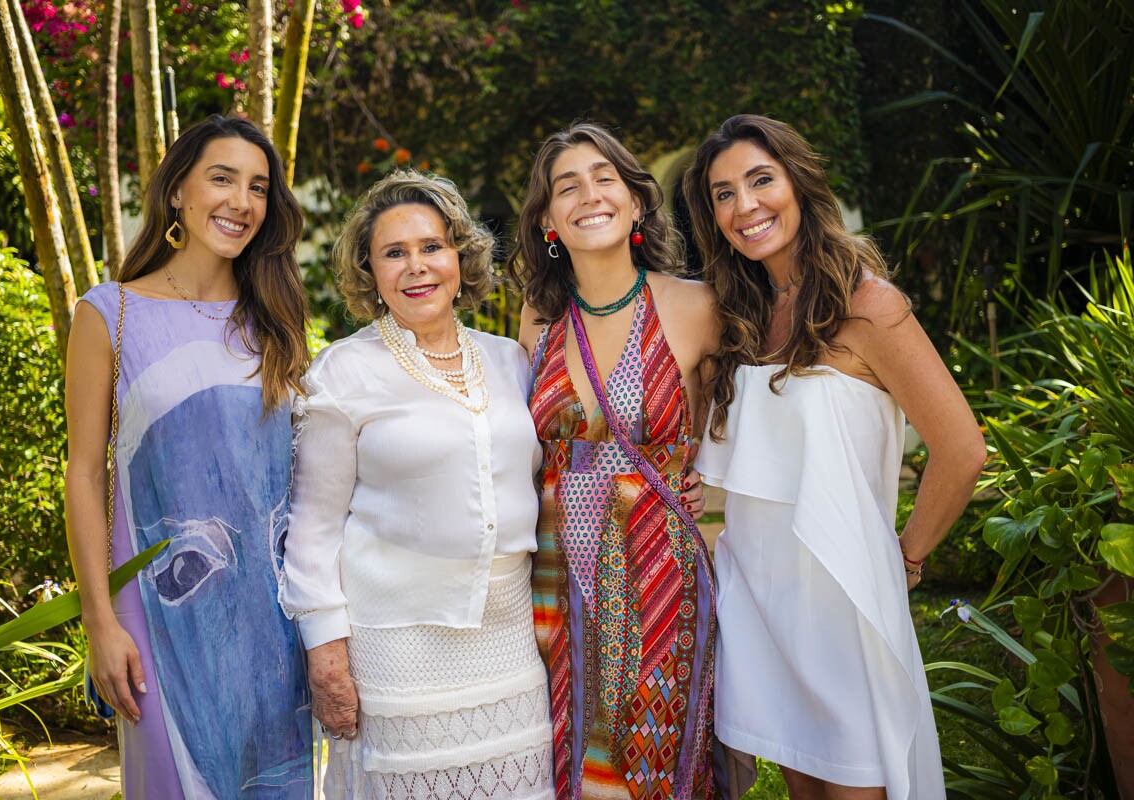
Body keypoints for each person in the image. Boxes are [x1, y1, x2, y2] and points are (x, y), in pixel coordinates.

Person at [683, 114, 986, 800]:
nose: (746, 205)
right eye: (723, 193)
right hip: (760, 595)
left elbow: (962, 450)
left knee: (856, 784)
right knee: (803, 786)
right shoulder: (742, 318)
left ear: (799, 180)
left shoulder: (868, 305)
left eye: (761, 180)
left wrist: (906, 558)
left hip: (842, 594)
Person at [280, 170, 554, 799]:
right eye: (394, 254)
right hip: (395, 650)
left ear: (460, 254)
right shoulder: (344, 373)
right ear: (370, 273)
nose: (417, 267)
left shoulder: (510, 360)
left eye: (432, 247)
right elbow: (313, 528)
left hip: (510, 644)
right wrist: (326, 655)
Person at [63, 115, 314, 799]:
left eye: (259, 188)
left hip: (278, 623)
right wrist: (100, 623)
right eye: (222, 178)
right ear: (178, 191)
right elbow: (84, 474)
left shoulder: (276, 320)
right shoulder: (109, 313)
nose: (241, 202)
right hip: (161, 614)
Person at [508, 122, 725, 799]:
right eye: (566, 186)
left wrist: (707, 498)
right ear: (548, 220)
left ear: (636, 202)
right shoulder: (537, 323)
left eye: (605, 178)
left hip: (659, 580)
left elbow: (739, 435)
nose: (589, 195)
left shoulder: (694, 307)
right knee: (571, 763)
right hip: (557, 585)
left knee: (650, 764)